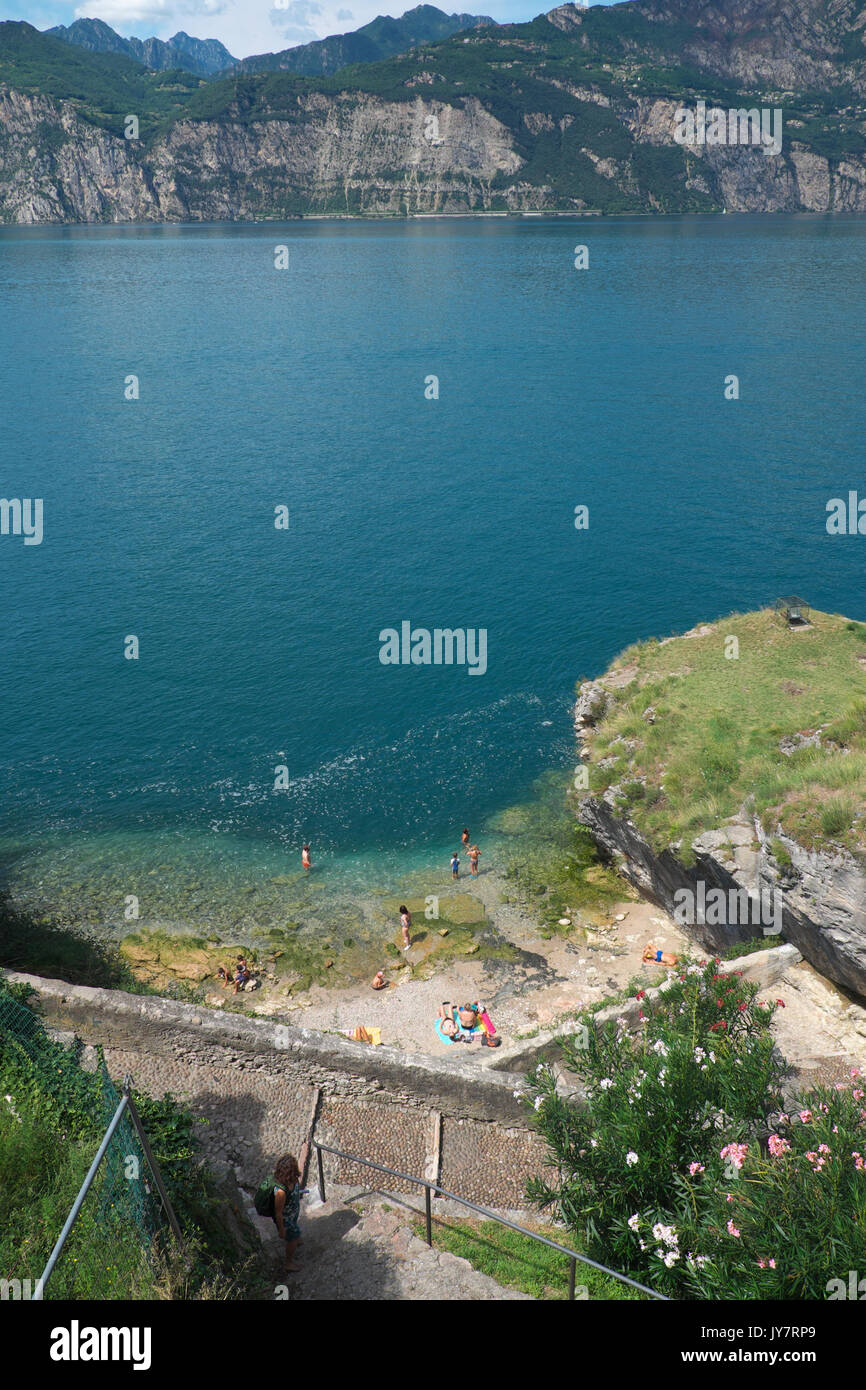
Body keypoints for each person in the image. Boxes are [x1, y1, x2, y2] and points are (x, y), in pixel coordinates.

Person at [272, 1154, 302, 1274]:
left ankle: (295, 1237)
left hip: (292, 1215)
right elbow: (278, 1213)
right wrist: (281, 1229)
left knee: (295, 1234)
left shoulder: (293, 1180)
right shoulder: (281, 1192)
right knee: (292, 1240)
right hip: (286, 1220)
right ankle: (288, 1263)